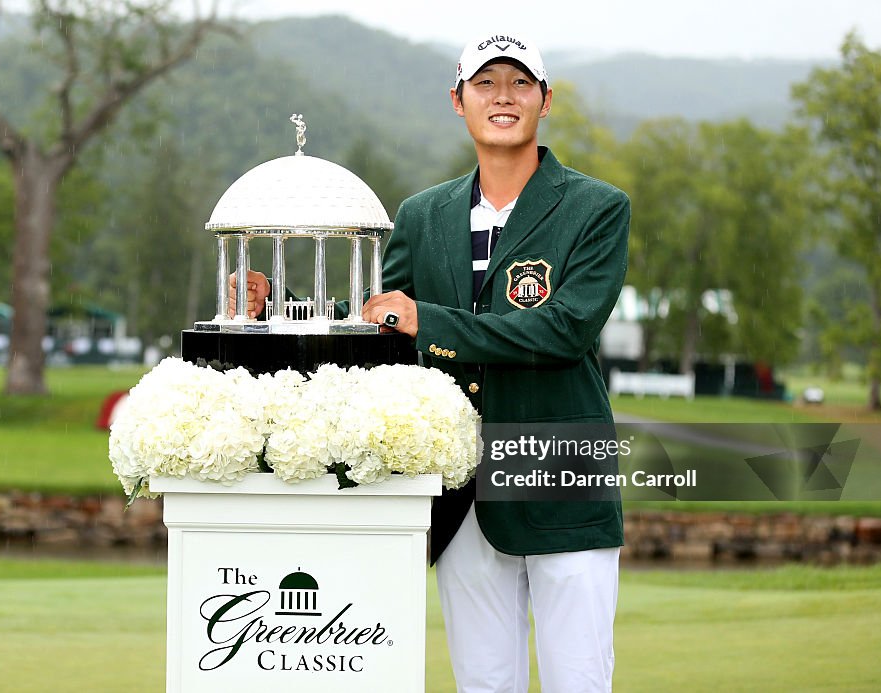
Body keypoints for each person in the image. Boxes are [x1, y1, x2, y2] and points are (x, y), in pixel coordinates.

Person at [233, 30, 629, 692]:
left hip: (562, 475)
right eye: (485, 84)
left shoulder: (597, 208)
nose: (503, 97)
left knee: (579, 679)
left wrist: (430, 321)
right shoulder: (422, 215)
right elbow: (386, 336)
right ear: (458, 100)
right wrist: (283, 305)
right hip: (460, 489)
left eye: (519, 83)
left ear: (545, 99)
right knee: (483, 682)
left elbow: (562, 330)